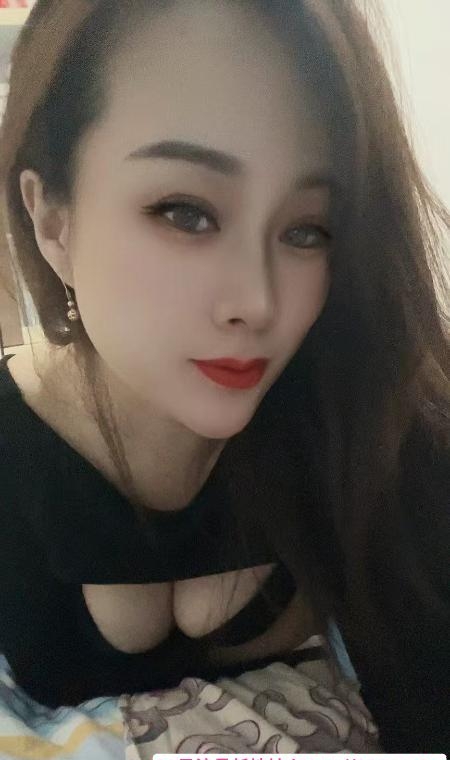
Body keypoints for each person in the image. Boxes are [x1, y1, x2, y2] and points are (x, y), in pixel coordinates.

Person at [0, 0, 448, 752]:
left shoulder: (361, 415)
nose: (260, 302)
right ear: (51, 219)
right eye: (185, 212)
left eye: (306, 229)